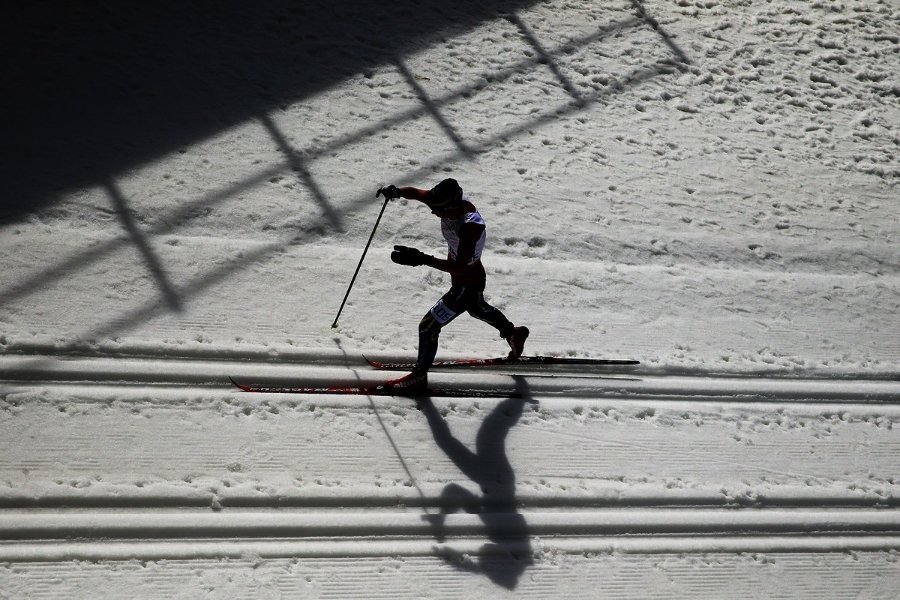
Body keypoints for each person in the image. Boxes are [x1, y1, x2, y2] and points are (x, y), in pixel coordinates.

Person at [377, 178, 529, 390]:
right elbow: (417, 193)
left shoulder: (470, 227)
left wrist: (423, 259)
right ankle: (513, 333)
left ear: (451, 207)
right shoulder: (442, 200)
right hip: (467, 277)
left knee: (428, 325)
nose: (434, 213)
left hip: (467, 280)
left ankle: (419, 377)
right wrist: (396, 192)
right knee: (476, 308)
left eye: (438, 211)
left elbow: (459, 267)